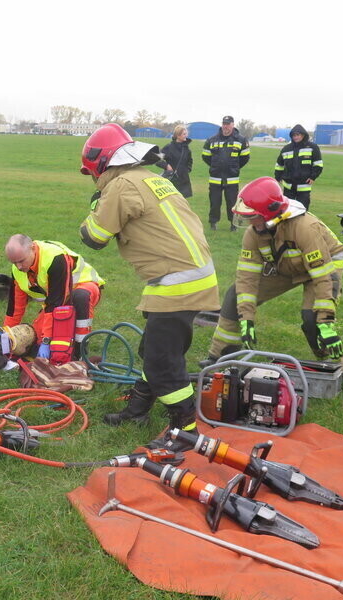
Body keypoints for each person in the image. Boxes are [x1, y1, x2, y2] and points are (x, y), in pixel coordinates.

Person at [78, 123, 220, 450]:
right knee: (155, 351)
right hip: (192, 276)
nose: (92, 177)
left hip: (176, 282)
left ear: (101, 162)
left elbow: (95, 237)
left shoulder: (120, 186)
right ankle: (137, 411)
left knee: (162, 363)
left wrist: (94, 206)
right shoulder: (152, 178)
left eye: (91, 172)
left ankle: (184, 431)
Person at [204, 177, 343, 368]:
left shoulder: (305, 228)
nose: (249, 222)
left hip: (324, 263)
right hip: (284, 265)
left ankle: (336, 365)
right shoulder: (254, 232)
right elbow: (247, 276)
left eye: (253, 216)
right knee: (234, 296)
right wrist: (246, 318)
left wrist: (326, 319)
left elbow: (324, 276)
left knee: (312, 318)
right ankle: (219, 357)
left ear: (271, 214)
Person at [3, 235, 104, 361]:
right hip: (57, 299)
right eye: (14, 262)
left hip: (85, 288)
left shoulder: (54, 258)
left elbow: (56, 304)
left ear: (33, 248)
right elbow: (15, 306)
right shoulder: (18, 269)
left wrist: (47, 340)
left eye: (21, 261)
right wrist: (6, 335)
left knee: (79, 299)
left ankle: (80, 350)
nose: (18, 266)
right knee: (34, 340)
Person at [202, 116, 250, 231]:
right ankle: (213, 223)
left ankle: (233, 224)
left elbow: (244, 158)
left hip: (231, 178)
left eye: (228, 124)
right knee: (214, 202)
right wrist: (215, 166)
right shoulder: (212, 140)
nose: (225, 126)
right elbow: (205, 156)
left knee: (232, 202)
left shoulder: (241, 140)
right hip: (215, 178)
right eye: (224, 123)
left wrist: (234, 168)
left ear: (233, 125)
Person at [274, 124, 323, 211]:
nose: (295, 137)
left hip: (304, 186)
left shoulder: (313, 147)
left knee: (302, 211)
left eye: (298, 135)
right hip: (288, 187)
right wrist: (278, 177)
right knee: (287, 211)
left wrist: (313, 176)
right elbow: (279, 164)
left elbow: (318, 164)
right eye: (294, 135)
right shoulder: (286, 148)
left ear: (303, 135)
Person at [156, 125, 193, 198]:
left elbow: (190, 161)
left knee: (182, 204)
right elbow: (157, 158)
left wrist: (187, 170)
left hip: (183, 181)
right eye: (184, 134)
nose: (186, 135)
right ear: (178, 136)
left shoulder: (186, 149)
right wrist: (166, 166)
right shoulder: (169, 147)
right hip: (171, 180)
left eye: (186, 133)